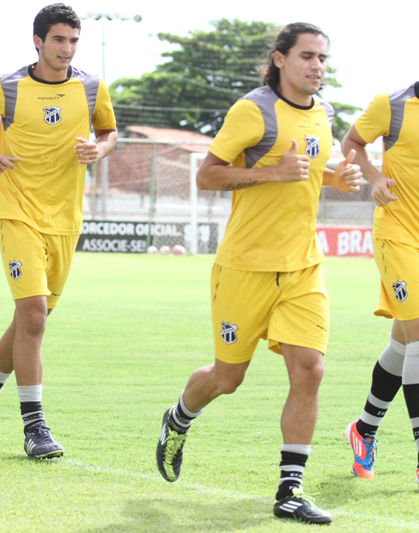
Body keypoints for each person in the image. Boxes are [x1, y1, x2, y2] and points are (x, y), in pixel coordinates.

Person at [154, 23, 362, 524]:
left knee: (310, 370)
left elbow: (310, 170)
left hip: (303, 266)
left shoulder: (325, 113)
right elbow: (207, 175)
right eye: (307, 56)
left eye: (323, 58)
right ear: (280, 59)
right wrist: (271, 172)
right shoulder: (254, 110)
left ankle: (290, 490)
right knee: (227, 378)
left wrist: (338, 177)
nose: (317, 66)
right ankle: (178, 418)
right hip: (244, 268)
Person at [0, 3, 117, 459]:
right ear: (38, 41)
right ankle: (35, 427)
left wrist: (99, 149)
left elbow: (109, 131)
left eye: (73, 41)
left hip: (65, 219)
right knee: (32, 315)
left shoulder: (91, 87)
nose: (67, 49)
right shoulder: (7, 87)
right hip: (17, 211)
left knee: (33, 318)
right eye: (59, 40)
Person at [340, 83, 419, 483]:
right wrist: (373, 176)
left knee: (404, 342)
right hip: (398, 234)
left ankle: (364, 429)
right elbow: (351, 142)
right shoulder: (393, 106)